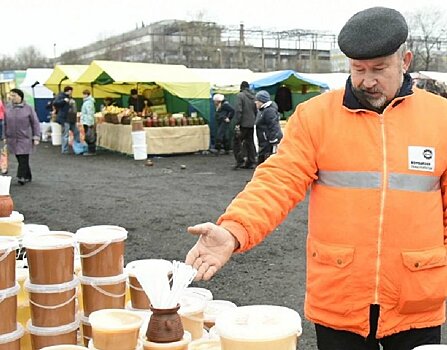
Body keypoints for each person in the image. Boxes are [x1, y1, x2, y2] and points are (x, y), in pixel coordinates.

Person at [185, 7, 447, 350]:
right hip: (341, 297)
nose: (367, 80)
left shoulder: (440, 117)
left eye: (379, 69)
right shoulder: (315, 117)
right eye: (358, 69)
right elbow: (278, 180)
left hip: (417, 295)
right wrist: (234, 230)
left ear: (405, 60)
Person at [4, 89, 40, 185]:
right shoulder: (8, 108)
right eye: (11, 95)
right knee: (19, 158)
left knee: (23, 157)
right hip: (12, 138)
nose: (11, 97)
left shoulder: (28, 108)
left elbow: (35, 123)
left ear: (20, 96)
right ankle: (28, 175)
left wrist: (36, 136)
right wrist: (4, 135)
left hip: (25, 138)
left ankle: (21, 177)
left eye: (14, 95)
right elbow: (4, 123)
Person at [232, 81, 257, 169]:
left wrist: (237, 123)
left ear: (241, 87)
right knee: (250, 143)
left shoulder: (240, 96)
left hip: (243, 123)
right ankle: (251, 161)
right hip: (251, 123)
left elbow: (239, 110)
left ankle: (240, 161)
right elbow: (255, 110)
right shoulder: (254, 96)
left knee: (237, 143)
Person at [254, 90, 283, 164]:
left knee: (265, 159)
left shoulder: (269, 111)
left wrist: (273, 140)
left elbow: (273, 126)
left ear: (261, 101)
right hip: (265, 140)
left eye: (257, 100)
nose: (255, 102)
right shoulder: (263, 110)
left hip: (267, 141)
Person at [53, 86, 80, 154]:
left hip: (71, 118)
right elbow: (55, 103)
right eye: (71, 91)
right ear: (68, 91)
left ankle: (77, 147)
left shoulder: (70, 97)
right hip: (65, 118)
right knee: (65, 134)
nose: (71, 92)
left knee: (76, 132)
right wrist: (64, 101)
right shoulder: (61, 96)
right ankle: (64, 150)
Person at [81, 89, 96, 156]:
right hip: (86, 121)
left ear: (87, 95)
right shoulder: (88, 102)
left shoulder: (88, 103)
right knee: (89, 135)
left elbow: (90, 113)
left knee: (89, 136)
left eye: (84, 94)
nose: (83, 96)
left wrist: (90, 123)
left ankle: (91, 151)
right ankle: (90, 150)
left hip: (87, 121)